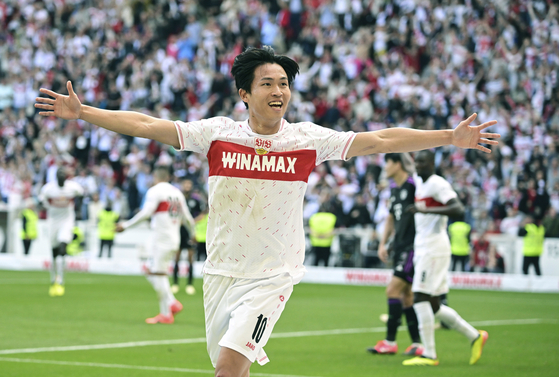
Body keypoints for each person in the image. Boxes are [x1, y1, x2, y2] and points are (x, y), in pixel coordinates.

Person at [35, 46, 499, 376]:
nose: (279, 90)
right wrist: (86, 112)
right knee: (226, 365)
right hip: (219, 272)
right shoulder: (217, 134)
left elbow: (380, 140)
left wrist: (447, 136)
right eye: (268, 83)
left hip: (272, 276)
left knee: (231, 369)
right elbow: (148, 125)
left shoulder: (307, 140)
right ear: (244, 93)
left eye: (284, 84)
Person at [403, 150, 488, 366]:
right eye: (417, 162)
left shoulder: (437, 184)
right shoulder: (421, 184)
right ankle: (475, 336)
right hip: (425, 247)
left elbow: (459, 208)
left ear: (432, 163)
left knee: (419, 297)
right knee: (433, 305)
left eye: (423, 162)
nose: (419, 165)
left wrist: (428, 210)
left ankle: (429, 355)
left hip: (433, 248)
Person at [115, 166, 195, 324]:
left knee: (158, 274)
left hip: (161, 238)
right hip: (174, 238)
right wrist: (192, 235)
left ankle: (167, 311)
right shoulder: (177, 193)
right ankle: (170, 303)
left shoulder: (155, 191)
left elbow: (146, 213)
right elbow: (188, 219)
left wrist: (126, 225)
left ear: (155, 176)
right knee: (151, 271)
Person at [368, 153, 423, 356]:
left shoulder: (413, 185)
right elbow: (391, 217)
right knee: (407, 296)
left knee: (392, 290)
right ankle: (417, 344)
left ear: (397, 164)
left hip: (412, 247)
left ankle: (390, 341)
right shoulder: (394, 188)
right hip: (399, 246)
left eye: (388, 163)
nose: (385, 168)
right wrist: (384, 243)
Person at [38, 167, 84, 297]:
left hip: (67, 220)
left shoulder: (73, 187)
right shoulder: (49, 189)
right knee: (54, 252)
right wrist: (46, 207)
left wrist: (78, 209)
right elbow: (41, 200)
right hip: (53, 221)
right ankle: (53, 277)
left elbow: (81, 194)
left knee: (62, 248)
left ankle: (61, 279)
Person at [171, 179, 204, 295]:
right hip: (179, 231)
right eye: (185, 184)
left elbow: (203, 213)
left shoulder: (195, 200)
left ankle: (189, 285)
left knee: (191, 258)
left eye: (189, 184)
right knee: (177, 257)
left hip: (190, 232)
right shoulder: (178, 199)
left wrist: (192, 222)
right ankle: (175, 284)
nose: (187, 186)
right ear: (182, 186)